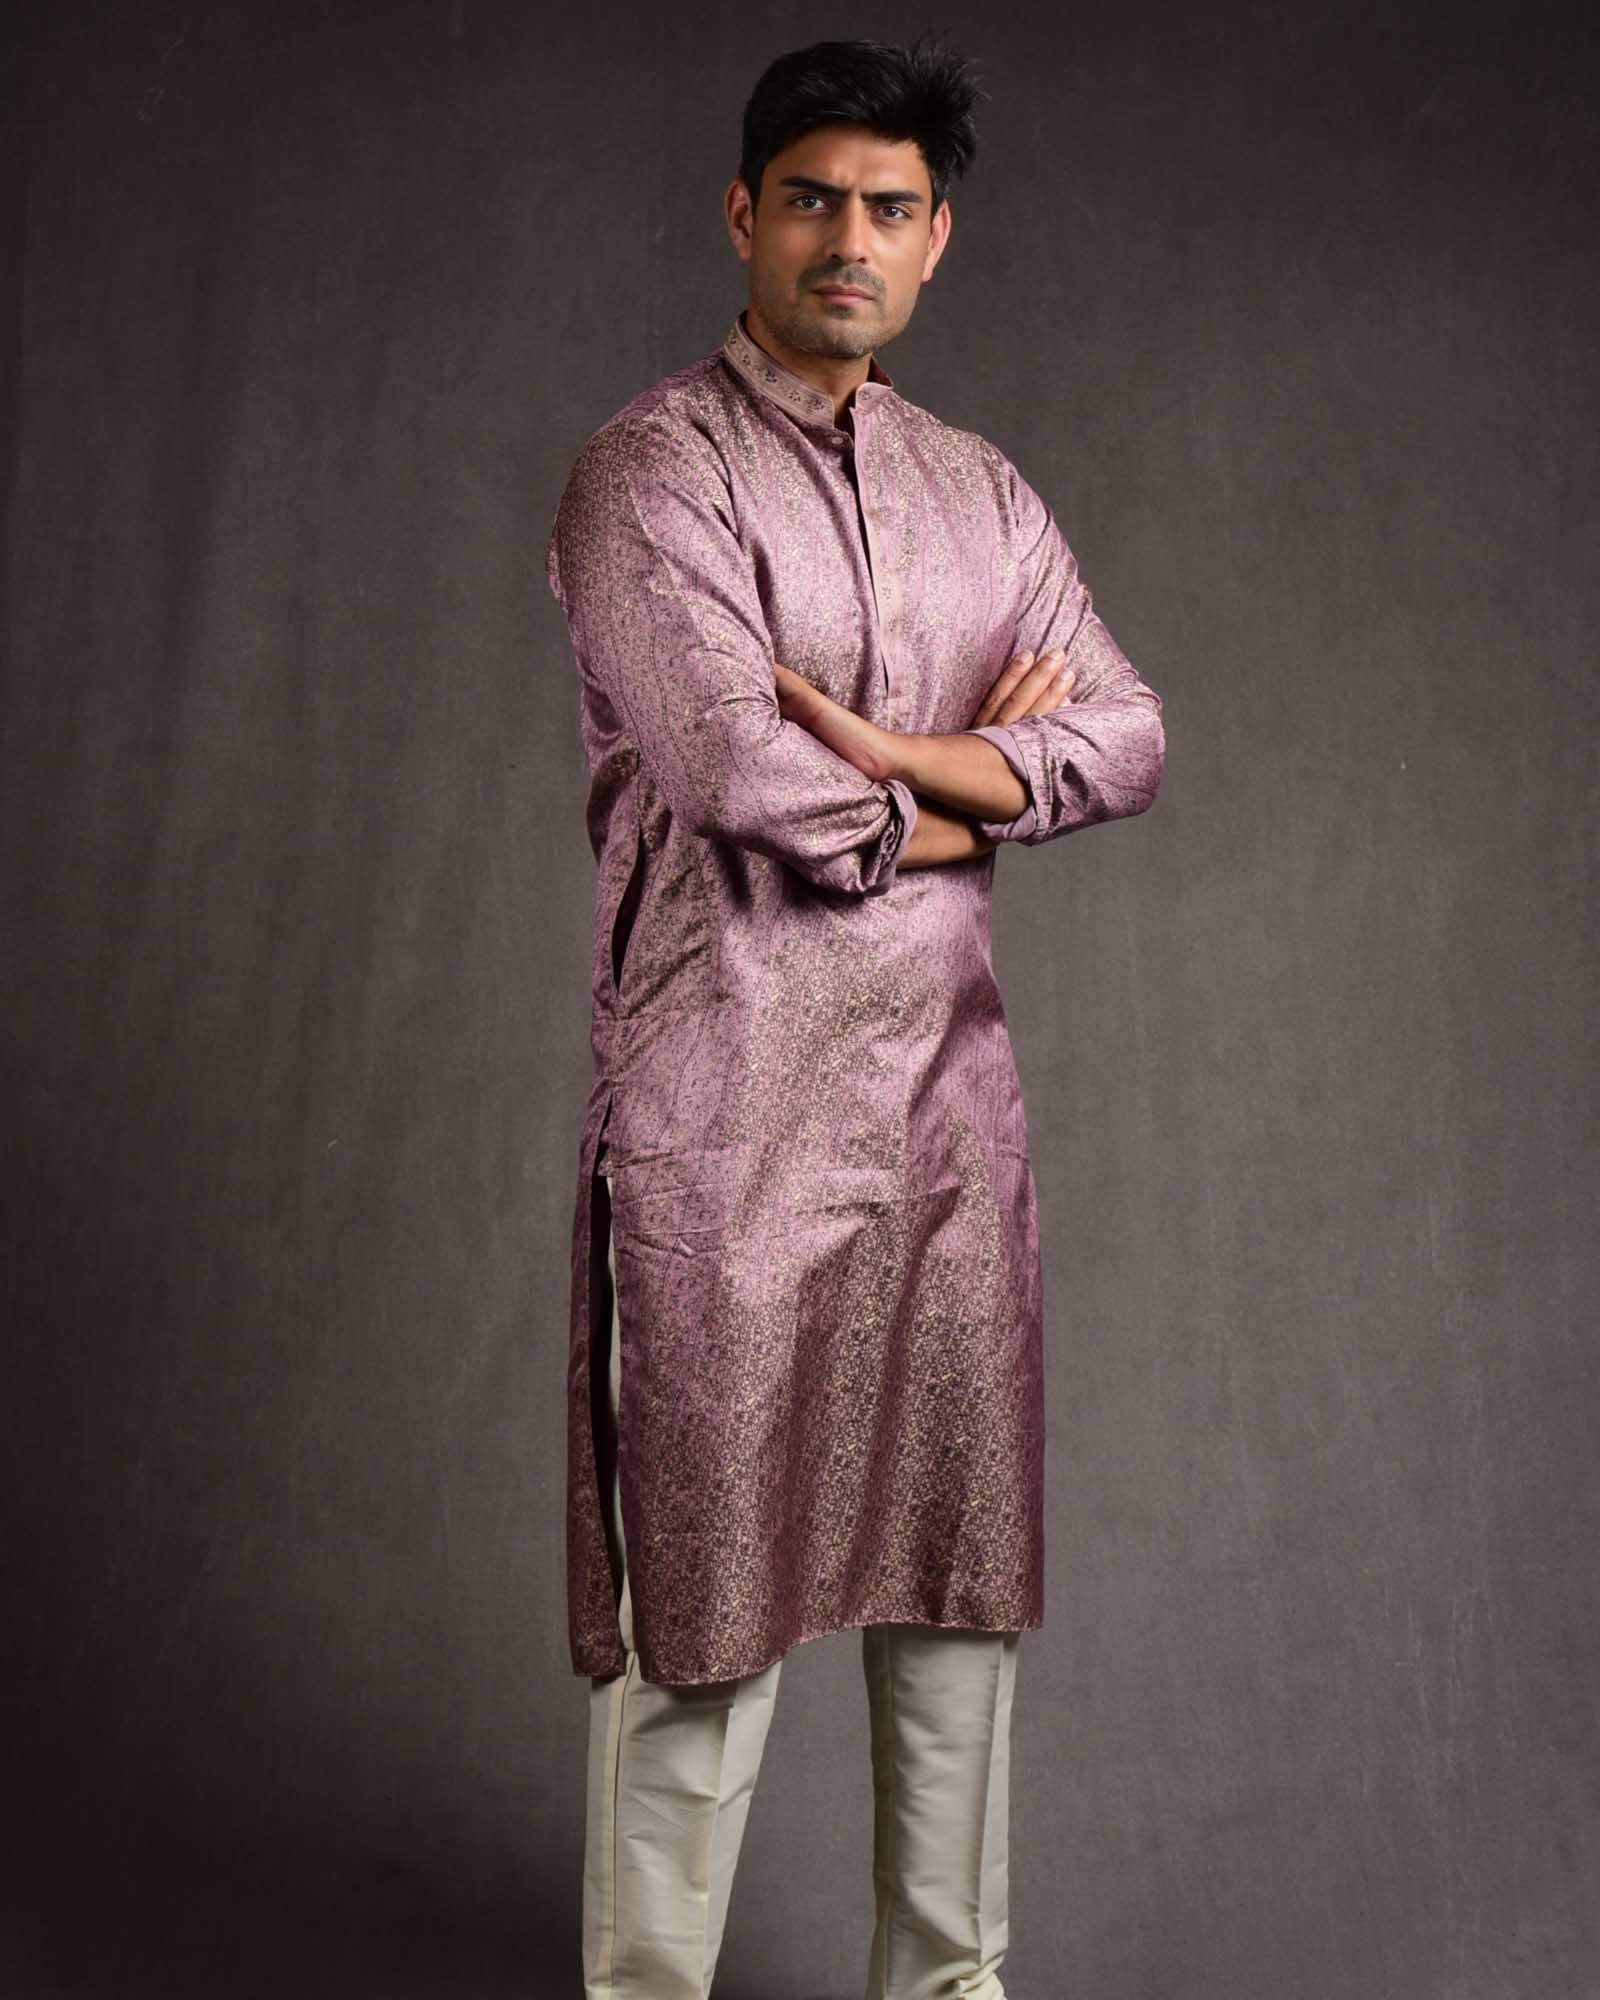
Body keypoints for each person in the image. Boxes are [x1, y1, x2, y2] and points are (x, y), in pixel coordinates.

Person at [544, 34, 1165, 1999]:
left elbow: (1131, 736)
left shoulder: (981, 493)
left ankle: (949, 1987)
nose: (848, 239)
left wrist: (894, 752)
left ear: (936, 238)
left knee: (960, 1596)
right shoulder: (653, 471)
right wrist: (977, 782)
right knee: (702, 1618)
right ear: (744, 214)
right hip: (723, 1130)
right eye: (812, 198)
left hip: (945, 1137)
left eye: (888, 207)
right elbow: (739, 771)